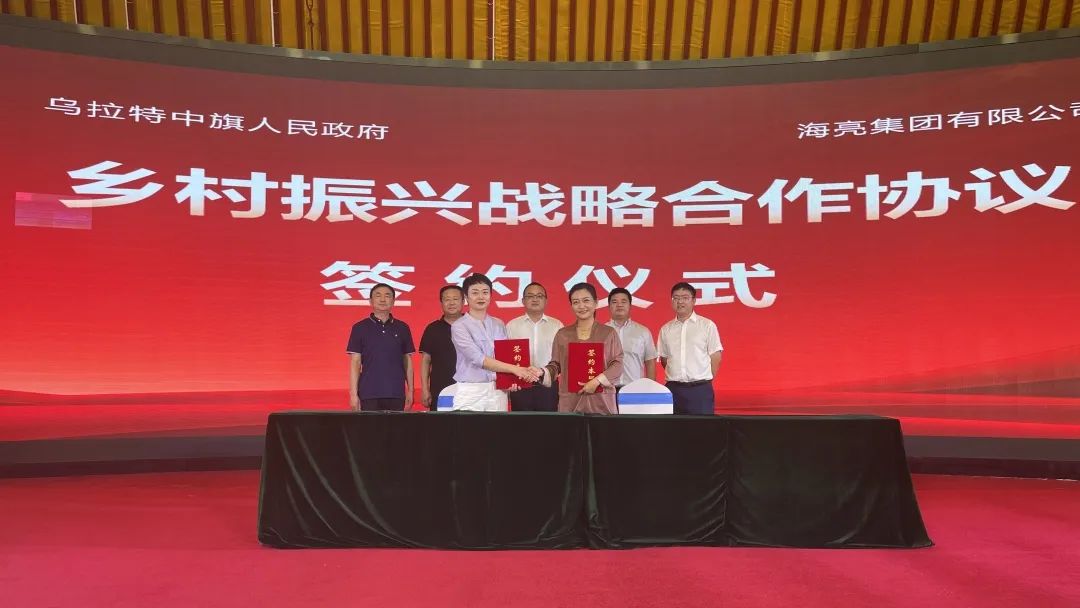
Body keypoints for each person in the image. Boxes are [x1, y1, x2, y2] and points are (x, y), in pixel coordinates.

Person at [450, 273, 541, 411]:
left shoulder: (499, 323)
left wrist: (511, 380)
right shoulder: (459, 326)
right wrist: (516, 370)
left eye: (485, 292)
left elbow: (506, 356)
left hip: (498, 390)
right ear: (466, 297)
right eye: (475, 293)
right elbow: (478, 359)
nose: (481, 297)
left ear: (490, 295)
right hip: (471, 391)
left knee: (497, 426)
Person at [542, 282, 623, 415]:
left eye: (586, 300)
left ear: (596, 303)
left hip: (601, 401)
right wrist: (541, 373)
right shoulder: (562, 334)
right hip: (570, 402)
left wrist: (596, 381)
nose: (581, 306)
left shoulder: (608, 333)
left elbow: (617, 364)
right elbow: (556, 365)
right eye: (576, 302)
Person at [345, 283, 416, 411]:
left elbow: (407, 361)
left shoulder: (402, 328)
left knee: (396, 425)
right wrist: (353, 394)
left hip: (396, 392)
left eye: (387, 296)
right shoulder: (359, 328)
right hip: (369, 393)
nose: (383, 299)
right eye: (378, 296)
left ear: (393, 301)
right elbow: (355, 363)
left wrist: (410, 390)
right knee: (370, 425)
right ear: (370, 301)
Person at [656, 282, 723, 415]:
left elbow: (716, 356)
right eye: (676, 298)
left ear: (694, 301)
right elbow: (664, 359)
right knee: (674, 427)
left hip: (700, 389)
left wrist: (704, 379)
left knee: (702, 426)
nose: (680, 301)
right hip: (673, 389)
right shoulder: (666, 329)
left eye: (685, 298)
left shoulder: (707, 325)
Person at [506, 282, 563, 412]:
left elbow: (562, 358)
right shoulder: (511, 326)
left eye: (539, 296)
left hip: (548, 385)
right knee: (521, 422)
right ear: (523, 301)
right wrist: (509, 382)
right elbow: (506, 358)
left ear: (546, 300)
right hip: (520, 384)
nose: (535, 299)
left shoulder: (557, 326)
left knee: (549, 422)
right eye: (530, 296)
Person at [418, 285, 464, 411]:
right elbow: (426, 361)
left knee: (468, 421)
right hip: (441, 388)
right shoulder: (433, 329)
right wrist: (425, 389)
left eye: (455, 299)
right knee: (442, 421)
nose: (451, 303)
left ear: (463, 301)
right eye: (447, 299)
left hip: (469, 389)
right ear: (441, 303)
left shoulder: (473, 325)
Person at [604, 287, 657, 393]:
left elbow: (650, 362)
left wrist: (650, 390)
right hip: (607, 390)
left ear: (630, 305)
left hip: (635, 390)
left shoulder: (643, 331)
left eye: (623, 301)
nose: (619, 305)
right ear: (609, 306)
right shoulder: (601, 332)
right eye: (615, 302)